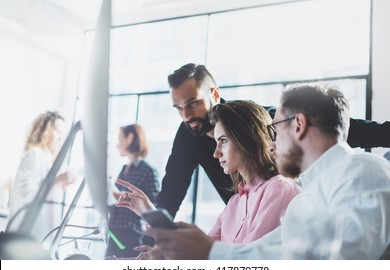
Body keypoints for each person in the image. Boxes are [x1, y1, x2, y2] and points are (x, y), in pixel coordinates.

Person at [149, 85, 390, 260]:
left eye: (275, 128)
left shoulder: (361, 170)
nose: (270, 143)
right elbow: (261, 250)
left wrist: (211, 253)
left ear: (299, 125)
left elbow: (343, 262)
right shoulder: (304, 199)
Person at [156, 63, 390, 218]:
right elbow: (172, 190)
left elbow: (328, 126)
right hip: (245, 221)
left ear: (214, 94)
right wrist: (153, 237)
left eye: (193, 103)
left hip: (286, 211)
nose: (186, 115)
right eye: (178, 108)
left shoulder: (257, 119)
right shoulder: (187, 135)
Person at [116, 101, 299, 254]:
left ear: (247, 139)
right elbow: (202, 253)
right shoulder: (235, 202)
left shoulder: (279, 189)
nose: (215, 153)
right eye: (216, 142)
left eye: (223, 141)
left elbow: (246, 263)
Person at [6, 111, 77, 247]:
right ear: (44, 130)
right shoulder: (34, 155)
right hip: (25, 240)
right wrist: (57, 181)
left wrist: (60, 184)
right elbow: (29, 196)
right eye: (57, 130)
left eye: (62, 133)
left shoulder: (48, 160)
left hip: (42, 240)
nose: (60, 138)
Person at [105, 124, 159, 258]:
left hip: (131, 235)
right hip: (114, 233)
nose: (117, 145)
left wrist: (126, 197)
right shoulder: (124, 169)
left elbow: (155, 206)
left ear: (130, 138)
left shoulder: (148, 171)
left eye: (119, 139)